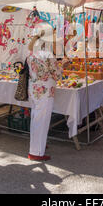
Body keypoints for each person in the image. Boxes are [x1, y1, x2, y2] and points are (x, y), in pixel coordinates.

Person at [27, 28, 69, 161]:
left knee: (36, 119)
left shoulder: (31, 53)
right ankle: (36, 152)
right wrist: (63, 64)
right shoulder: (48, 54)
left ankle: (37, 147)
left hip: (34, 89)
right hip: (45, 91)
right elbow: (57, 75)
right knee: (42, 121)